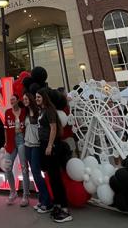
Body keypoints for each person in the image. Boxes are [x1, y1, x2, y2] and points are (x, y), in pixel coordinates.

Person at [36, 88, 72, 223]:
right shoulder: (42, 110)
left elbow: (53, 128)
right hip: (44, 144)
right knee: (51, 176)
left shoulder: (50, 110)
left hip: (51, 145)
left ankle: (65, 209)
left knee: (56, 177)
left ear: (44, 97)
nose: (37, 99)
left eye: (39, 97)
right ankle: (57, 205)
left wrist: (50, 145)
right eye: (36, 97)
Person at [22, 92, 53, 213]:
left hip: (36, 145)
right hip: (27, 145)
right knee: (34, 174)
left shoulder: (38, 112)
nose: (24, 101)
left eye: (26, 99)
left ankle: (48, 202)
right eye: (23, 99)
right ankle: (41, 200)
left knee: (36, 172)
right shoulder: (25, 113)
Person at [3, 93, 29, 207]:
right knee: (7, 167)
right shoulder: (7, 112)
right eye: (10, 100)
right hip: (11, 141)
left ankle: (25, 195)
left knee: (24, 168)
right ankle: (13, 192)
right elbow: (5, 129)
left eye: (13, 100)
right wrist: (5, 142)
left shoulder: (24, 111)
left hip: (22, 140)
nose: (12, 102)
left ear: (18, 100)